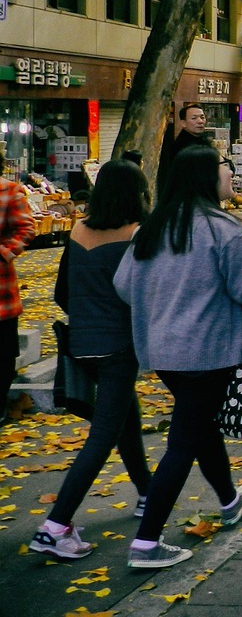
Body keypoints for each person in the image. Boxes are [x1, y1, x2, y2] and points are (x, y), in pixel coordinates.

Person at [114, 145, 242, 569]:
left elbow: (124, 286)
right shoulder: (225, 230)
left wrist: (164, 298)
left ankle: (229, 500)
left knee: (199, 426)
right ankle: (146, 543)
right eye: (225, 167)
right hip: (207, 353)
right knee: (183, 441)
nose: (230, 174)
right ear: (205, 176)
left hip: (161, 351)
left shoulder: (153, 227)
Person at [31, 160, 152, 560]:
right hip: (119, 346)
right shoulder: (137, 234)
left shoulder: (78, 230)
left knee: (125, 417)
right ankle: (54, 525)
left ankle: (147, 493)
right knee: (102, 437)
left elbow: (62, 293)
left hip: (82, 342)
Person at [0, 142, 36, 413]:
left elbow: (25, 229)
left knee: (3, 354)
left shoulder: (9, 190)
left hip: (1, 291)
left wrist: (3, 253)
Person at [156, 103, 212, 196]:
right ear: (183, 123)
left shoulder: (203, 141)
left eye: (202, 117)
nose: (200, 121)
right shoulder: (182, 147)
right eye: (194, 118)